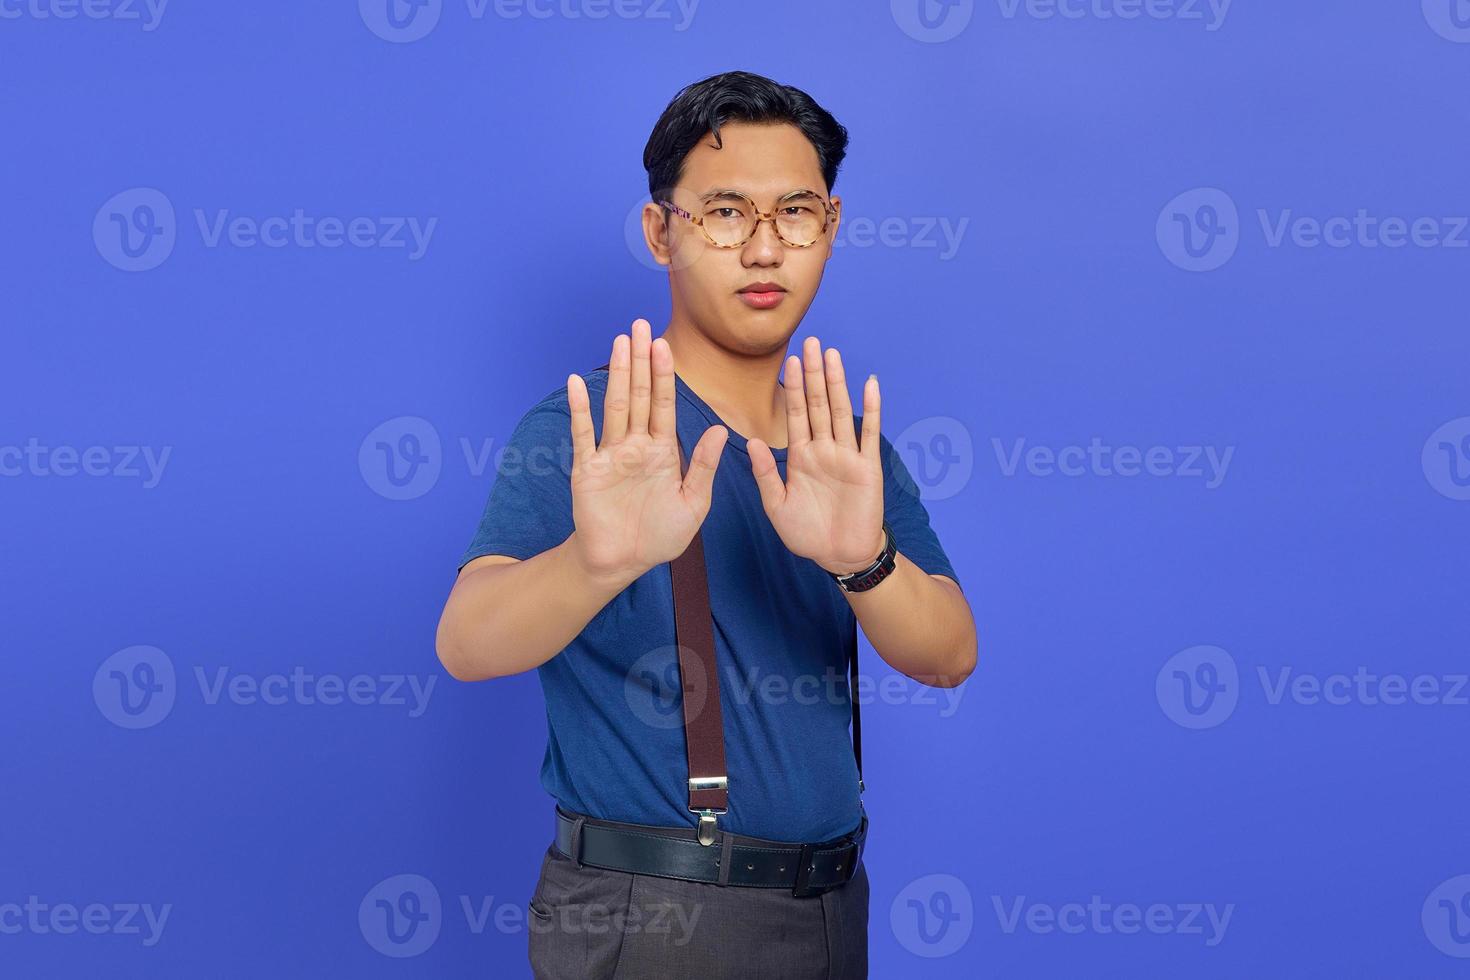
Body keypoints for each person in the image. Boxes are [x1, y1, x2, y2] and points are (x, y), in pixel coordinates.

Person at [435, 69, 977, 979]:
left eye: (796, 213)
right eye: (725, 213)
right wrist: (596, 562)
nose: (765, 250)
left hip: (835, 907)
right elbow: (466, 641)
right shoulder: (595, 433)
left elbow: (949, 653)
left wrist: (864, 562)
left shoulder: (844, 450)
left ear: (830, 229)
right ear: (661, 232)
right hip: (662, 918)